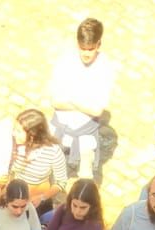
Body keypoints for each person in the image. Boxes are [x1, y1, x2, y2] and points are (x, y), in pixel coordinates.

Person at [49, 18, 114, 181]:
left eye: (90, 49)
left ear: (98, 44)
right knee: (52, 171)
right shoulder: (65, 62)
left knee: (86, 177)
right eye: (82, 48)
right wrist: (83, 102)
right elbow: (56, 101)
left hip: (86, 132)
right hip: (61, 129)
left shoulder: (104, 67)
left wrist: (71, 100)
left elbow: (97, 110)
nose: (86, 53)